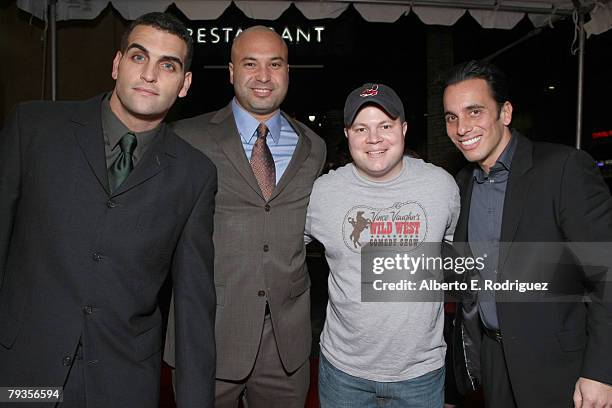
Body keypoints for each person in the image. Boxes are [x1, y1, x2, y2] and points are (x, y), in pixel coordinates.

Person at [0, 12, 216, 408]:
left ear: (184, 84)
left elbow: (193, 310)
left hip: (122, 384)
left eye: (167, 65)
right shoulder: (32, 129)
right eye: (139, 57)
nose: (149, 74)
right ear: (117, 64)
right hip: (23, 376)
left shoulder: (195, 175)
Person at [163, 26, 326, 407]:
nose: (264, 76)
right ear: (231, 72)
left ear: (288, 72)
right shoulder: (186, 138)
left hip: (287, 344)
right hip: (209, 334)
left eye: (275, 64)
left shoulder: (313, 147)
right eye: (250, 64)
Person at [443, 60, 612, 407]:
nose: (462, 128)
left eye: (474, 112)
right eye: (451, 117)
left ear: (505, 112)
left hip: (560, 366)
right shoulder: (461, 185)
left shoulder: (563, 168)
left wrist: (601, 371)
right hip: (493, 359)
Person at [305, 83, 460, 407]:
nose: (374, 139)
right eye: (362, 128)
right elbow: (283, 252)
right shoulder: (322, 194)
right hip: (344, 373)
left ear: (403, 128)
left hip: (420, 373)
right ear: (347, 133)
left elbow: (456, 258)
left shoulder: (442, 187)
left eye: (385, 126)